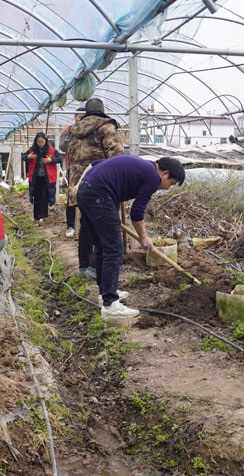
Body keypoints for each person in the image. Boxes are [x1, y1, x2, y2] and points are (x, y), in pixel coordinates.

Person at [72, 155, 185, 319]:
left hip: (86, 191)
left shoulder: (143, 165)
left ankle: (105, 294)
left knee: (104, 246)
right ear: (165, 173)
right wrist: (144, 238)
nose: (168, 188)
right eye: (171, 183)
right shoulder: (153, 176)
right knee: (114, 248)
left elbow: (94, 164)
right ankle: (110, 305)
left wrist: (79, 185)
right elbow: (137, 212)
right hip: (99, 195)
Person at [68, 98, 124, 278]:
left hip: (78, 183)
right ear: (103, 109)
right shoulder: (106, 127)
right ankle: (97, 266)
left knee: (86, 223)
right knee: (106, 225)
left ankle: (85, 265)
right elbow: (116, 157)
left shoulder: (75, 131)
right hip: (101, 183)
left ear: (85, 113)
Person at [23, 132, 60, 222]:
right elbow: (23, 156)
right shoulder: (32, 150)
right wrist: (29, 156)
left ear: (45, 141)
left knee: (45, 196)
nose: (40, 144)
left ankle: (43, 216)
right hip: (36, 177)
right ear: (36, 142)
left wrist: (50, 160)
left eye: (42, 142)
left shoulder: (51, 150)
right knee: (36, 196)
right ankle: (36, 216)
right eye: (38, 142)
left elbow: (59, 158)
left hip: (47, 178)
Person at [59, 111, 84, 237]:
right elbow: (62, 147)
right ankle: (70, 226)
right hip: (73, 168)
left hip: (88, 168)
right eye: (79, 116)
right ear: (74, 118)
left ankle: (84, 225)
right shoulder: (68, 130)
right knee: (72, 196)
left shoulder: (90, 129)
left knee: (86, 196)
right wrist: (70, 137)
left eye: (83, 116)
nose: (81, 118)